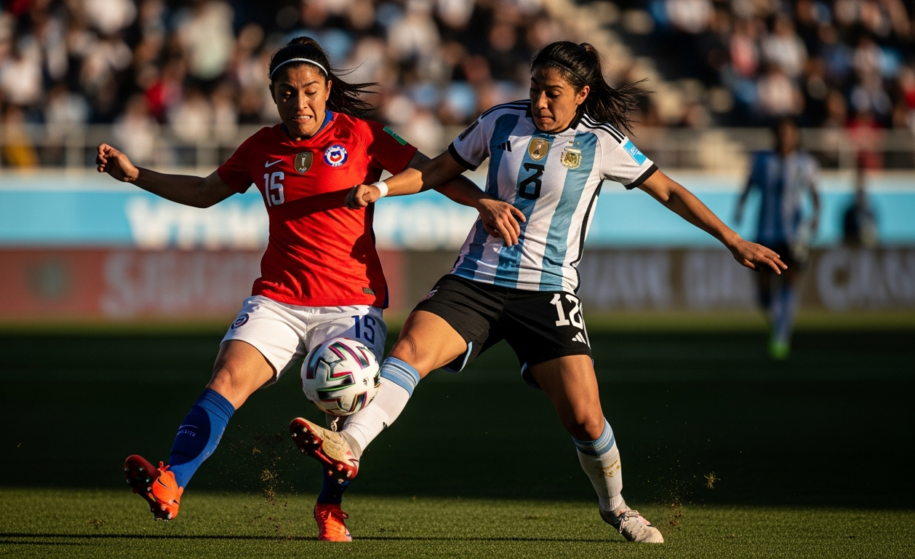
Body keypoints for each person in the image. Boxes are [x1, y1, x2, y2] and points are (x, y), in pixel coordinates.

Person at [289, 41, 786, 544]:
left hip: (547, 294)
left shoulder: (602, 142)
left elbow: (671, 191)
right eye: (534, 90)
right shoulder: (500, 121)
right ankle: (348, 443)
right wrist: (382, 189)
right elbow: (440, 168)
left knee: (586, 418)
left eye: (553, 94)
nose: (540, 103)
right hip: (476, 279)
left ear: (582, 94)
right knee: (411, 348)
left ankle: (615, 507)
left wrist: (733, 240)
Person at [95, 37, 523, 540]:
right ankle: (172, 483)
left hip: (351, 304)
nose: (299, 102)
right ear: (273, 95)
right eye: (286, 93)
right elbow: (207, 191)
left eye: (309, 90)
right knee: (227, 378)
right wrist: (135, 175)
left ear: (326, 89)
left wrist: (481, 203)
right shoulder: (261, 146)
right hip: (278, 297)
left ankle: (330, 508)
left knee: (339, 413)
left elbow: (432, 171)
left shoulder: (362, 134)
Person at [734, 118, 820, 359]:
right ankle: (777, 321)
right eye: (781, 133)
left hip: (793, 235)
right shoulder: (762, 160)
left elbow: (814, 193)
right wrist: (740, 206)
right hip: (765, 233)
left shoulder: (806, 162)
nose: (785, 137)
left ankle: (782, 336)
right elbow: (750, 185)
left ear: (795, 136)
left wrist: (815, 217)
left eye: (789, 133)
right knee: (763, 292)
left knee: (790, 282)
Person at [842, 164, 877, 248]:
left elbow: (874, 235)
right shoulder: (849, 214)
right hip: (853, 248)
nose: (861, 197)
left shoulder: (870, 213)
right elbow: (845, 236)